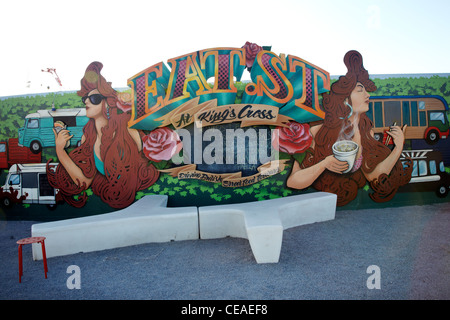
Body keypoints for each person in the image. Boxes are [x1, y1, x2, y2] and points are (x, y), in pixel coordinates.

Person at [287, 51, 412, 206]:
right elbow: (294, 181)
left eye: (366, 90)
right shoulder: (318, 131)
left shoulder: (367, 133)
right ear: (345, 99)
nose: (368, 95)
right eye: (360, 90)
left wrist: (398, 147)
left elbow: (375, 176)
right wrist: (324, 164)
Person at [47, 61, 159, 209]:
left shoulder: (127, 130)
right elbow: (83, 182)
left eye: (94, 98)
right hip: (112, 203)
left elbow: (146, 162)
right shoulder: (88, 138)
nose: (87, 101)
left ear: (107, 102)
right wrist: (60, 151)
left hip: (138, 205)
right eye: (85, 98)